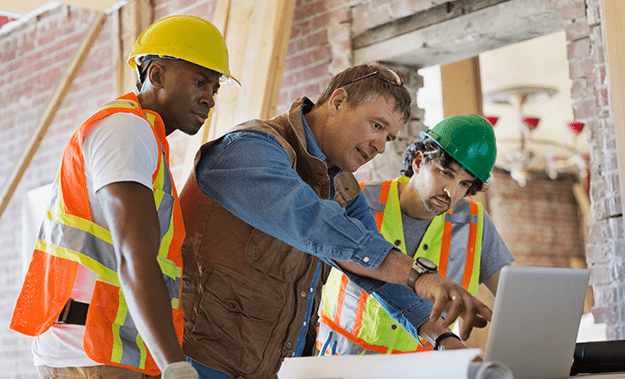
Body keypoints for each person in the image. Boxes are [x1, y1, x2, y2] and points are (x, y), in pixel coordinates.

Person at [179, 63, 492, 379]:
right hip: (201, 363)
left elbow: (374, 268)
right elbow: (313, 221)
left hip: (273, 369)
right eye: (376, 126)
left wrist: (442, 337)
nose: (380, 146)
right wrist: (419, 274)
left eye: (389, 136)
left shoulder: (343, 185)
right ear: (338, 101)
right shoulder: (249, 149)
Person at [9, 15, 239, 378]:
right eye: (200, 81)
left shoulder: (144, 135)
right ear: (157, 75)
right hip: (90, 355)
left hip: (101, 352)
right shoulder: (126, 130)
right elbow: (135, 258)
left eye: (215, 87)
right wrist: (174, 365)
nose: (209, 98)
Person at [317, 114, 515, 356]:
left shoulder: (475, 223)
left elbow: (514, 295)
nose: (450, 192)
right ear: (419, 161)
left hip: (422, 368)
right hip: (342, 362)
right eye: (446, 173)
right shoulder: (359, 201)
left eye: (464, 184)